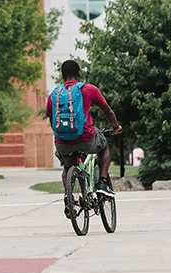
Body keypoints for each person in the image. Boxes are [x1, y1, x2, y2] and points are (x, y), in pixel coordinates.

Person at [46, 59, 122, 202]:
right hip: (86, 138)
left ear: (63, 75)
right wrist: (116, 127)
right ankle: (103, 183)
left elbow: (52, 121)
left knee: (68, 167)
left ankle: (69, 199)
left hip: (62, 142)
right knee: (103, 146)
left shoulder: (54, 95)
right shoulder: (89, 89)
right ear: (78, 74)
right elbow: (108, 111)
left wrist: (62, 136)